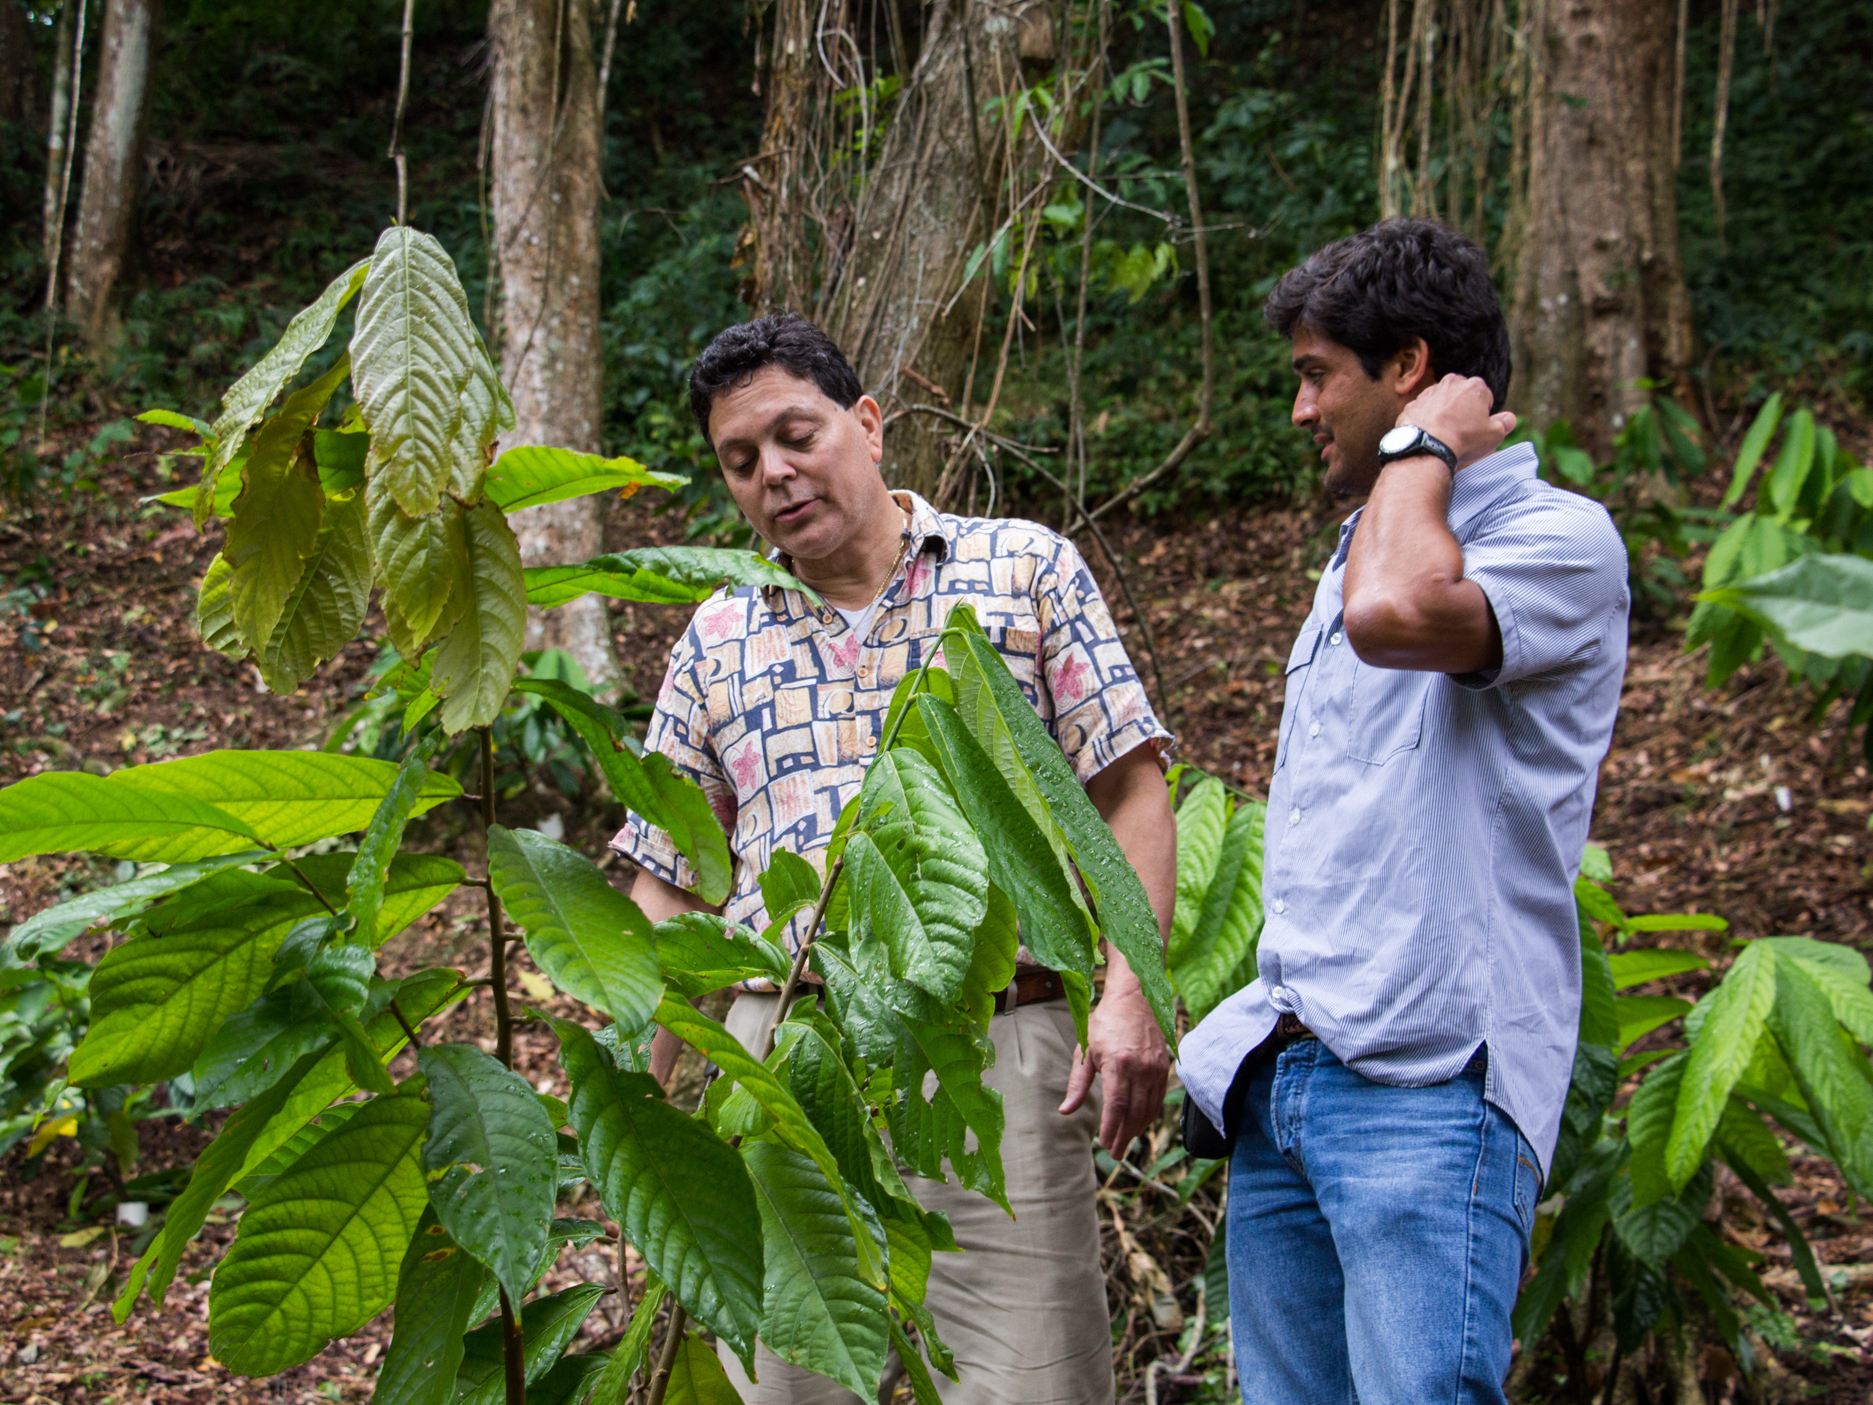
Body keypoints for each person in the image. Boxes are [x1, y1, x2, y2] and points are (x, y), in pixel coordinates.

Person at [614, 312, 1177, 1405]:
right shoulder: (715, 636)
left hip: (991, 1044)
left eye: (796, 435)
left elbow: (1129, 787)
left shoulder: (1022, 570)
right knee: (794, 1385)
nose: (774, 473)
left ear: (866, 425)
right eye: (741, 460)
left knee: (1033, 1382)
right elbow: (666, 882)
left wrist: (1132, 994)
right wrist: (639, 1106)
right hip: (780, 1059)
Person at [1177, 218, 1630, 1405]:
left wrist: (1418, 453)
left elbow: (1397, 617)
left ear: (1411, 368)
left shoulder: (1556, 539)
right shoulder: (1363, 548)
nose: (1299, 409)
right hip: (1294, 1067)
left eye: (1317, 373)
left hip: (1433, 1085)